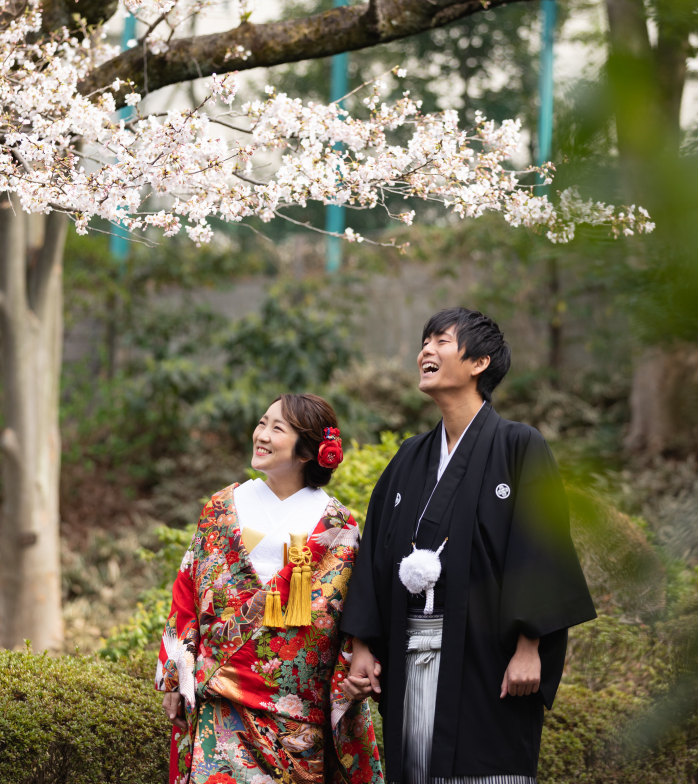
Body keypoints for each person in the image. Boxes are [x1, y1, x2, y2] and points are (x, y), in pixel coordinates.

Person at [340, 308, 596, 784]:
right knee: (414, 767)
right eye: (424, 342)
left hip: (486, 656)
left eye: (440, 341)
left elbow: (540, 547)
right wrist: (360, 644)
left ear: (479, 362)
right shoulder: (408, 458)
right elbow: (376, 550)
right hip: (410, 649)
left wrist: (529, 646)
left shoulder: (519, 446)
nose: (425, 352)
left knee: (486, 766)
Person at [156, 392, 384, 784]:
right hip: (220, 700)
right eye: (262, 423)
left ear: (308, 451)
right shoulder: (223, 506)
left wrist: (357, 662)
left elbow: (352, 612)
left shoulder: (337, 527)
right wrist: (177, 678)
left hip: (296, 715)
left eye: (276, 428)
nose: (260, 434)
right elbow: (187, 592)